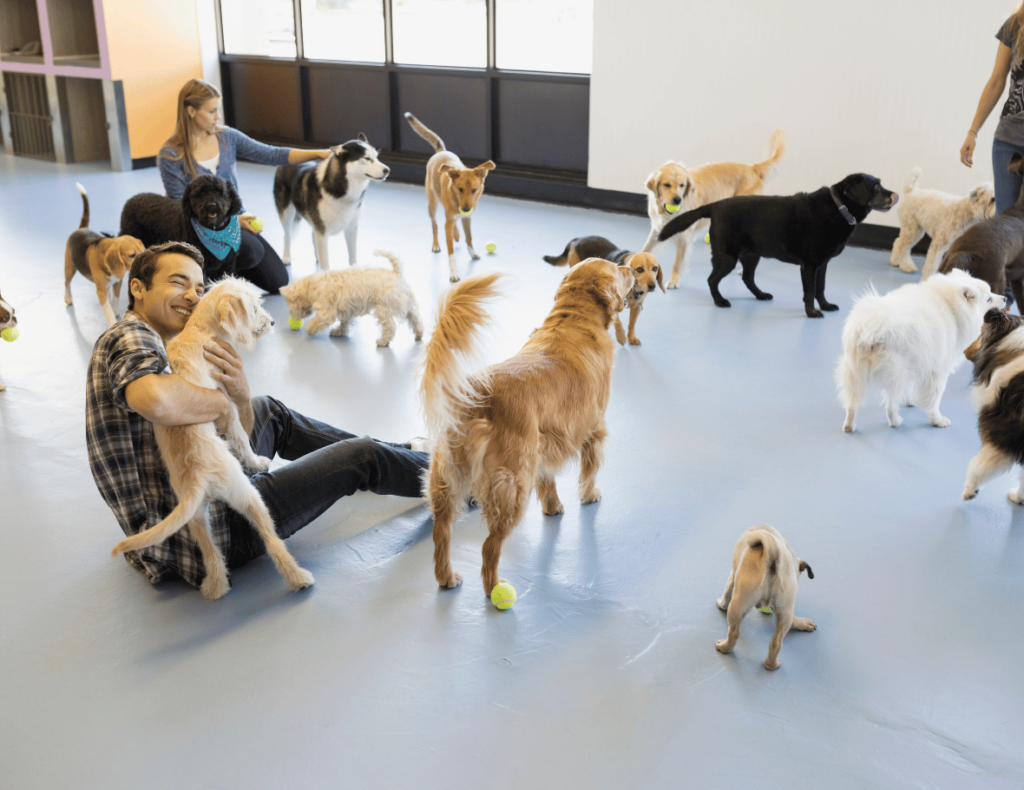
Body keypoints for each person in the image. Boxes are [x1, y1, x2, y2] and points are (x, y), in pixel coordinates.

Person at [86, 241, 430, 591]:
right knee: (361, 455)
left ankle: (405, 453)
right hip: (210, 529)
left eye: (199, 288)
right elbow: (154, 400)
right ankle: (451, 475)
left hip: (212, 483)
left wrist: (239, 397)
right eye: (178, 282)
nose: (192, 296)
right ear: (138, 288)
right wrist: (222, 404)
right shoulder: (130, 335)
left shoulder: (171, 344)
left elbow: (228, 440)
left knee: (268, 410)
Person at [158, 78, 331, 294]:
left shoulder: (227, 138)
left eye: (218, 110)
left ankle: (221, 271)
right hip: (199, 231)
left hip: (233, 221)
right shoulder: (171, 155)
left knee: (278, 280)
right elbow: (179, 207)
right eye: (211, 111)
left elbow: (271, 154)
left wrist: (318, 153)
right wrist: (235, 221)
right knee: (251, 249)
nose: (217, 117)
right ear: (191, 111)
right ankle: (209, 274)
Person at [960, 3, 1024, 216]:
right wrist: (973, 132)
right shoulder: (1015, 24)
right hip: (1008, 142)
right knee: (1005, 220)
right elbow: (996, 82)